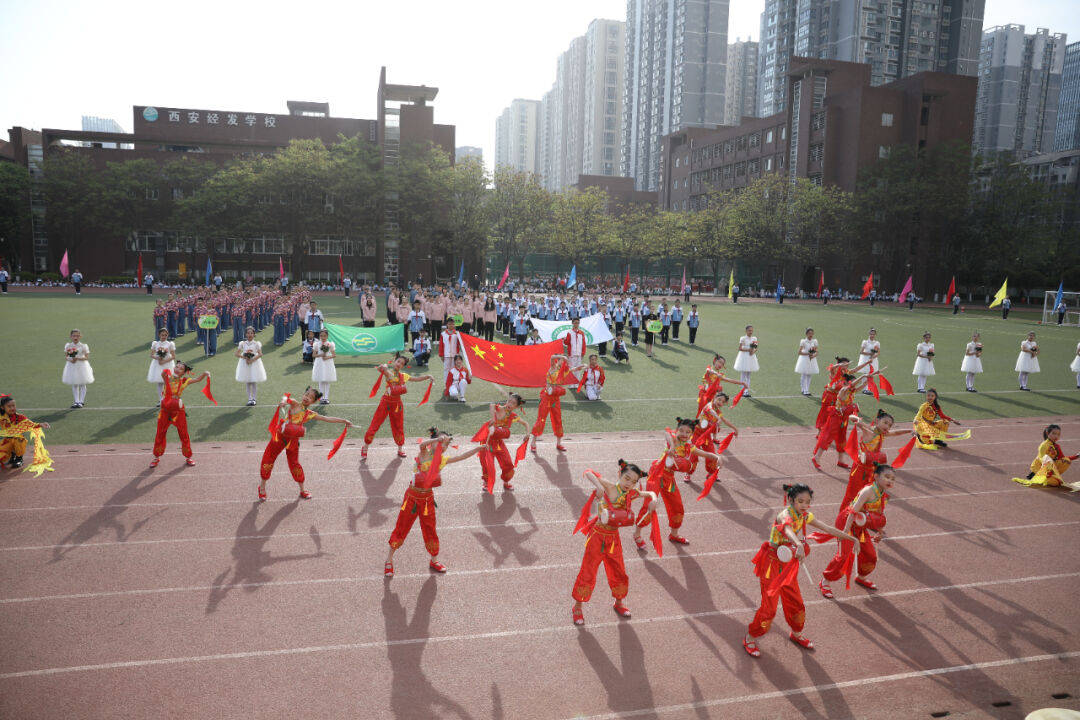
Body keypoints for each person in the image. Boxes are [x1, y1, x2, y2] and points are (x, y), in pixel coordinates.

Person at [742, 483, 859, 658]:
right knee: (769, 609)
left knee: (796, 602)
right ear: (791, 500)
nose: (804, 505)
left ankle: (796, 634)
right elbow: (787, 529)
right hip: (772, 565)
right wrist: (798, 544)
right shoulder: (784, 516)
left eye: (807, 502)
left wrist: (850, 537)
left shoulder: (805, 515)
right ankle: (750, 638)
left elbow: (827, 529)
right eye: (800, 501)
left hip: (788, 565)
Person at [384, 428, 482, 577]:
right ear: (434, 442)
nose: (443, 445)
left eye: (446, 444)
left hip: (427, 499)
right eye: (441, 441)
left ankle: (434, 560)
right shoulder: (424, 454)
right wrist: (437, 440)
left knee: (430, 529)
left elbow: (462, 456)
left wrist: (478, 448)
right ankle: (389, 561)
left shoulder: (443, 459)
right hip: (411, 498)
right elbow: (422, 445)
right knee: (402, 527)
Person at [571, 461, 656, 625]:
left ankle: (619, 603)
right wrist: (598, 486)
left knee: (619, 572)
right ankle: (577, 608)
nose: (628, 484)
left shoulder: (631, 493)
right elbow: (588, 471)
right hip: (597, 537)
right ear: (620, 475)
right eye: (626, 478)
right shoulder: (610, 488)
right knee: (588, 572)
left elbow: (650, 494)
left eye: (633, 481)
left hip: (613, 539)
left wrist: (653, 499)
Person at [259, 387, 354, 500]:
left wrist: (344, 421)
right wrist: (283, 402)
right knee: (269, 459)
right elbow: (286, 397)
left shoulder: (310, 414)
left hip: (293, 440)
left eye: (310, 397)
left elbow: (326, 418)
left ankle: (302, 490)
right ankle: (262, 488)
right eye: (306, 394)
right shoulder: (295, 404)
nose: (307, 397)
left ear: (313, 402)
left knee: (295, 463)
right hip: (279, 436)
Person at [640, 418, 721, 546]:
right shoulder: (673, 439)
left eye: (687, 432)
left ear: (691, 434)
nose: (684, 434)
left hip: (669, 478)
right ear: (677, 430)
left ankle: (674, 535)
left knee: (677, 507)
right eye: (681, 430)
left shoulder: (689, 447)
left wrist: (716, 457)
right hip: (656, 474)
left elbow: (705, 453)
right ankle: (637, 535)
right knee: (649, 505)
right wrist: (672, 447)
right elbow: (666, 433)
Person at [819, 464, 896, 597]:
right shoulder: (868, 491)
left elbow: (879, 516)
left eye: (893, 479)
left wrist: (880, 532)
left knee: (870, 555)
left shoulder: (883, 494)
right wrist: (844, 532)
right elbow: (852, 511)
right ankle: (825, 581)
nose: (890, 481)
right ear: (876, 476)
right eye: (887, 477)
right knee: (843, 555)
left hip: (860, 525)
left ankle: (860, 577)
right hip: (847, 522)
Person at [361, 354, 433, 460]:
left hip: (397, 404)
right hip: (385, 402)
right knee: (375, 424)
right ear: (394, 361)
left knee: (398, 426)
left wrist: (427, 376)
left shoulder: (403, 376)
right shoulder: (388, 372)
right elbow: (381, 369)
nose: (399, 364)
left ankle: (400, 449)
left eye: (402, 363)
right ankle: (365, 448)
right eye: (398, 361)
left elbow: (416, 379)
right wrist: (383, 367)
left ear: (403, 366)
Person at [150, 361, 209, 467]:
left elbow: (198, 379)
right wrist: (166, 370)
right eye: (176, 367)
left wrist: (205, 374)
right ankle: (156, 457)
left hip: (178, 410)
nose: (177, 369)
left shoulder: (185, 380)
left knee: (183, 433)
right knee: (160, 433)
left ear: (184, 372)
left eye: (180, 368)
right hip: (165, 410)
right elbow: (163, 374)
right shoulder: (168, 378)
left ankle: (188, 457)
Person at [812, 371, 867, 470]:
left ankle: (841, 461)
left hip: (843, 418)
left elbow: (861, 386)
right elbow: (853, 385)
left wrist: (868, 380)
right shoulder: (843, 390)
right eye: (853, 382)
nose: (854, 385)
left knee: (842, 439)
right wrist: (862, 376)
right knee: (828, 437)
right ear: (846, 382)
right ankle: (816, 458)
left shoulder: (851, 391)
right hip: (835, 417)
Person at [477, 388, 530, 491]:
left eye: (513, 403)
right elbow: (492, 405)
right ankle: (486, 482)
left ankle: (506, 482)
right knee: (487, 464)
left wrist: (528, 433)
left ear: (517, 406)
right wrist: (493, 419)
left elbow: (526, 424)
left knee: (508, 464)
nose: (509, 404)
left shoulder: (513, 415)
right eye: (509, 401)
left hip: (498, 443)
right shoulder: (500, 409)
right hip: (487, 442)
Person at [531, 354, 581, 453]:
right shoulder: (553, 367)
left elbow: (572, 370)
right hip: (546, 397)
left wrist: (579, 367)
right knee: (541, 419)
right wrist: (562, 356)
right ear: (558, 361)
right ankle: (533, 442)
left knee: (557, 419)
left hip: (555, 398)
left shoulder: (563, 371)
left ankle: (559, 443)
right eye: (561, 360)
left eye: (563, 361)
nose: (562, 362)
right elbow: (552, 357)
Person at [690, 392, 737, 480]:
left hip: (707, 436)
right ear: (714, 398)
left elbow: (725, 421)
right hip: (697, 433)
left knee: (711, 454)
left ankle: (711, 474)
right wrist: (718, 418)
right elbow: (710, 410)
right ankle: (688, 474)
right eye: (719, 399)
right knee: (694, 455)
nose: (720, 402)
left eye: (722, 402)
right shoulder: (709, 406)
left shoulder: (718, 412)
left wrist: (735, 428)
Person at [0, 395, 50, 469]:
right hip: (7, 440)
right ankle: (11, 456)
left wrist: (40, 424)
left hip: (18, 439)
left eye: (13, 406)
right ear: (2, 408)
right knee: (2, 454)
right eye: (9, 406)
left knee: (18, 441)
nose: (12, 408)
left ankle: (19, 458)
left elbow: (30, 424)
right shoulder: (1, 417)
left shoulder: (19, 417)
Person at [235, 326, 267, 406]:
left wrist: (252, 360)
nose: (250, 335)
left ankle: (254, 399)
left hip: (254, 364)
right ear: (245, 334)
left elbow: (260, 354)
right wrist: (245, 357)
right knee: (248, 382)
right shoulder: (243, 343)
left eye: (251, 333)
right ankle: (249, 399)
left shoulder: (256, 344)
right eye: (248, 333)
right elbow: (237, 354)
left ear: (254, 334)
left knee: (253, 381)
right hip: (245, 364)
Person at [62, 328, 94, 409]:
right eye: (74, 336)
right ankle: (76, 401)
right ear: (70, 336)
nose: (75, 337)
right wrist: (71, 360)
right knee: (75, 383)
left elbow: (86, 357)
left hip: (82, 366)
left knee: (82, 383)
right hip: (72, 366)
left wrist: (77, 358)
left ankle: (81, 401)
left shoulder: (83, 346)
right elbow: (66, 357)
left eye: (77, 336)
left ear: (80, 336)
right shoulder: (68, 346)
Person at [147, 327, 177, 403]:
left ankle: (167, 398)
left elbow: (173, 356)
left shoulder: (170, 344)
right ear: (159, 335)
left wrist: (164, 361)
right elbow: (151, 355)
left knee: (167, 383)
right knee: (160, 383)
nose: (163, 337)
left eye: (165, 335)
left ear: (167, 335)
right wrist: (159, 358)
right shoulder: (155, 344)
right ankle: (161, 399)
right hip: (158, 365)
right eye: (162, 335)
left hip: (167, 365)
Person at [310, 329, 337, 404]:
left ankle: (326, 398)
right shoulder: (316, 344)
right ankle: (321, 398)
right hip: (319, 363)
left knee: (327, 380)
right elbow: (313, 355)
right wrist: (321, 355)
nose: (323, 337)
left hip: (328, 363)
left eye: (324, 336)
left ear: (327, 336)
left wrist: (327, 357)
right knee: (321, 380)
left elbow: (334, 355)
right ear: (319, 336)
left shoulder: (330, 344)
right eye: (321, 336)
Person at [733, 325, 759, 397]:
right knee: (743, 374)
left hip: (751, 357)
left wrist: (752, 352)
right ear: (746, 331)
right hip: (744, 357)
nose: (751, 332)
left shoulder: (754, 338)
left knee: (748, 375)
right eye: (749, 330)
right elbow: (740, 348)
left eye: (751, 330)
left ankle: (746, 391)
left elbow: (756, 347)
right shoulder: (743, 338)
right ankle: (742, 390)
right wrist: (748, 350)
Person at [438, 318, 463, 387]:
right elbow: (441, 345)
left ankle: (453, 383)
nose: (451, 325)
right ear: (447, 325)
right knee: (446, 369)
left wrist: (458, 354)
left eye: (452, 324)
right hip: (446, 355)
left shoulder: (457, 334)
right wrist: (441, 355)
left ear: (454, 325)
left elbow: (459, 344)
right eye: (449, 324)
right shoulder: (443, 334)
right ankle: (446, 383)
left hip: (455, 355)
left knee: (454, 369)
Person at [795, 328, 819, 397]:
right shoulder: (803, 341)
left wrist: (813, 355)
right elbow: (799, 352)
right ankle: (804, 390)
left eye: (812, 333)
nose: (811, 335)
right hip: (804, 359)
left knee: (809, 374)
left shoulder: (814, 341)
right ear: (806, 334)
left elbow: (817, 351)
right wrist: (808, 354)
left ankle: (807, 389)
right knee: (804, 374)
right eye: (809, 333)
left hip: (812, 359)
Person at [857, 329, 881, 396]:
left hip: (873, 360)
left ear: (875, 335)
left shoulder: (877, 343)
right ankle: (864, 389)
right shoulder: (865, 342)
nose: (872, 335)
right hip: (865, 359)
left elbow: (878, 352)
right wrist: (870, 354)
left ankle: (868, 388)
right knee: (866, 373)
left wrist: (873, 356)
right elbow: (861, 352)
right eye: (871, 334)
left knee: (870, 374)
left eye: (873, 334)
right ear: (869, 334)